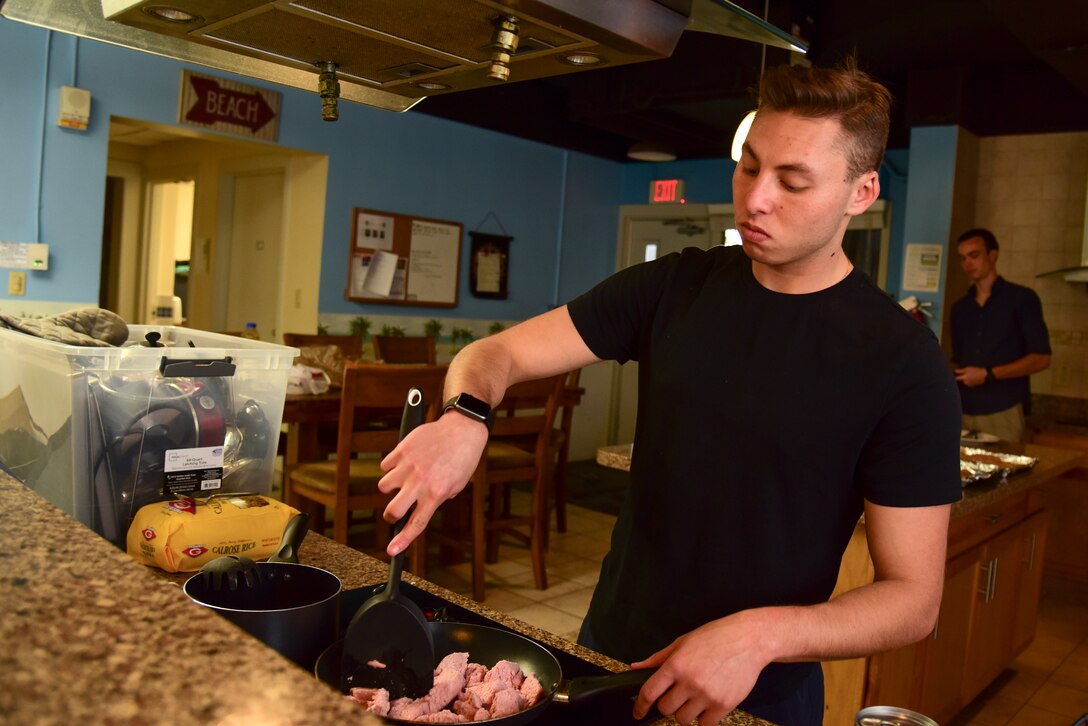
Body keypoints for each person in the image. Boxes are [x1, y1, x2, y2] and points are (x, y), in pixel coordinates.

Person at [378, 61, 962, 726]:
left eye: (793, 181)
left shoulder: (903, 362)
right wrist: (466, 416)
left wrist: (759, 636)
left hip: (756, 694)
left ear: (861, 193)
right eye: (748, 165)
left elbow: (914, 600)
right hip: (608, 657)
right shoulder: (674, 287)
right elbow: (497, 353)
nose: (756, 198)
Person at [951, 228, 1051, 444]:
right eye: (963, 258)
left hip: (1004, 409)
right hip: (962, 409)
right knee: (961, 475)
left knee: (1007, 474)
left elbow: (1041, 358)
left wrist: (988, 374)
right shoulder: (960, 308)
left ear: (993, 255)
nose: (968, 263)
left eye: (974, 255)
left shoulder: (1022, 299)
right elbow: (957, 360)